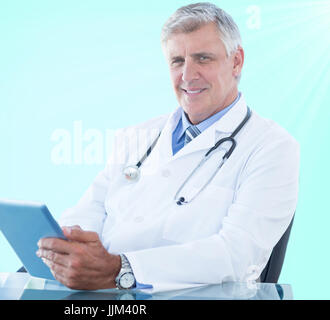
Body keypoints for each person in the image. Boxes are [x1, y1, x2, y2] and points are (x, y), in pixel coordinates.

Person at [35, 2, 300, 291]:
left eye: (203, 59)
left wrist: (121, 268)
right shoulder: (138, 136)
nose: (187, 75)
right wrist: (66, 246)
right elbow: (89, 211)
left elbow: (237, 256)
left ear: (236, 61)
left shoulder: (272, 148)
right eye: (177, 61)